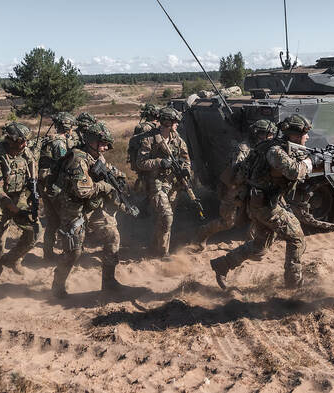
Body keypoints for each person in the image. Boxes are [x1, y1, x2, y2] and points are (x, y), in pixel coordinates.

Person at [209, 114, 319, 290]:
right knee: (297, 238)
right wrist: (309, 162)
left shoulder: (276, 146)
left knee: (259, 247)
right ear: (295, 135)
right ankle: (294, 284)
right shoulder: (275, 151)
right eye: (306, 134)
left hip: (260, 203)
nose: (308, 137)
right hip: (266, 205)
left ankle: (222, 264)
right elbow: (293, 172)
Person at [51, 122, 124, 297]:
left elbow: (107, 170)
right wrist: (104, 187)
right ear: (91, 141)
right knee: (73, 251)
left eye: (107, 144)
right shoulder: (78, 159)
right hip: (74, 208)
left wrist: (119, 177)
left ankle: (109, 281)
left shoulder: (96, 156)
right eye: (103, 143)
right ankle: (58, 285)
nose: (105, 148)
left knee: (112, 236)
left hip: (93, 207)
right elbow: (82, 190)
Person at [192, 119, 277, 251]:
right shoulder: (244, 149)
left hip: (252, 188)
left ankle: (254, 245)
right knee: (227, 222)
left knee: (257, 215)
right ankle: (202, 233)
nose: (271, 137)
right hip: (235, 188)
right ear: (258, 134)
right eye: (269, 134)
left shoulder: (264, 148)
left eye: (272, 135)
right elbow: (238, 172)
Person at [0, 123, 38, 282]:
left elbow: (32, 176)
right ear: (11, 140)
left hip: (19, 198)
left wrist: (30, 195)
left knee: (34, 231)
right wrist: (12, 208)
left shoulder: (26, 153)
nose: (25, 144)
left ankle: (13, 259)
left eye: (26, 141)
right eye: (21, 141)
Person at [135, 106, 192, 257]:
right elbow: (140, 163)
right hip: (155, 183)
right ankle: (162, 254)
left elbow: (186, 159)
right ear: (167, 122)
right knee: (167, 216)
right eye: (175, 122)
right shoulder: (149, 139)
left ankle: (155, 247)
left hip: (172, 183)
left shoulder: (177, 140)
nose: (177, 125)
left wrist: (185, 170)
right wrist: (160, 162)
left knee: (165, 220)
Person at [39, 112, 80, 260]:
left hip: (46, 186)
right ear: (68, 126)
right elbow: (64, 165)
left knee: (52, 221)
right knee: (63, 220)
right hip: (55, 187)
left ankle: (47, 253)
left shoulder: (50, 140)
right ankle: (66, 253)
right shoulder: (59, 143)